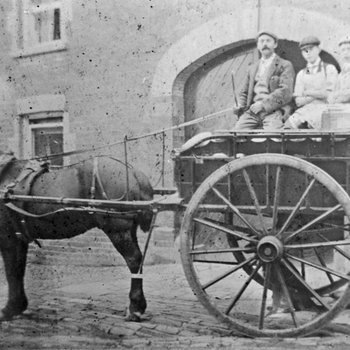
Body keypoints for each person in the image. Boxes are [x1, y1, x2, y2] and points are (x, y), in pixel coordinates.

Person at [233, 31, 295, 130]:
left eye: (268, 41)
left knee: (274, 138)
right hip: (252, 112)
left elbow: (286, 92)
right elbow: (244, 93)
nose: (264, 44)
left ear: (275, 44)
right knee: (235, 135)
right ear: (258, 46)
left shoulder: (284, 65)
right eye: (261, 41)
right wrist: (239, 104)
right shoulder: (252, 68)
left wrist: (263, 104)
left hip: (274, 111)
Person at [285, 36, 338, 129]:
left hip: (325, 110)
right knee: (288, 127)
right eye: (305, 51)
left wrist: (307, 93)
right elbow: (298, 102)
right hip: (305, 110)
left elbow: (330, 95)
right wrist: (318, 94)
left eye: (311, 49)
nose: (308, 53)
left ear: (318, 49)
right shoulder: (301, 74)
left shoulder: (329, 69)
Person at [328, 36, 350, 104]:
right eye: (343, 50)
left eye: (349, 49)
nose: (346, 52)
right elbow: (334, 91)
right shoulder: (342, 73)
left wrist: (336, 97)